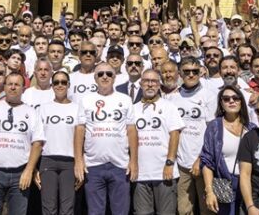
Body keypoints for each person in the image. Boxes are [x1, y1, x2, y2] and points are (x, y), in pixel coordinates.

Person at [74, 62, 137, 215]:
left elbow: (131, 130)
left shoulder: (125, 99)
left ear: (114, 77)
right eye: (100, 74)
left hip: (120, 165)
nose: (104, 77)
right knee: (95, 212)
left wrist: (133, 160)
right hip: (93, 165)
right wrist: (78, 160)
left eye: (109, 74)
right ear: (95, 78)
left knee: (120, 211)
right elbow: (80, 130)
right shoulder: (86, 100)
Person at [0, 73, 44, 215]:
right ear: (4, 87)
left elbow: (37, 143)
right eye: (9, 84)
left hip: (20, 172)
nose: (13, 87)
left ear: (23, 88)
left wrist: (29, 170)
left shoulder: (32, 112)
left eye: (17, 84)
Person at [132, 68, 185, 215]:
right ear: (141, 84)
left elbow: (175, 135)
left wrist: (169, 163)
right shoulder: (132, 109)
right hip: (140, 174)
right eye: (146, 81)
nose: (150, 85)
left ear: (159, 84)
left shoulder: (169, 107)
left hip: (164, 172)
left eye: (154, 81)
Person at [167, 57, 215, 215]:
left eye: (195, 71)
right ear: (180, 73)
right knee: (183, 210)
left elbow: (213, 131)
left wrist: (201, 158)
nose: (191, 75)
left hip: (203, 163)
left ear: (200, 72)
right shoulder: (172, 98)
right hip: (181, 164)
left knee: (207, 209)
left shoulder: (209, 95)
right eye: (187, 71)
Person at [200, 86, 254, 215]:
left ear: (241, 102)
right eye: (226, 98)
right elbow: (207, 161)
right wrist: (209, 191)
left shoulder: (251, 128)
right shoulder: (215, 126)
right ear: (221, 103)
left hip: (249, 185)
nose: (231, 101)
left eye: (236, 98)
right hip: (224, 183)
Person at [37, 71, 79, 215]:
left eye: (63, 82)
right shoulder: (43, 108)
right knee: (48, 207)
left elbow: (82, 139)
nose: (60, 85)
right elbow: (37, 139)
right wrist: (35, 167)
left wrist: (80, 163)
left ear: (68, 85)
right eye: (56, 82)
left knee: (67, 208)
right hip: (48, 160)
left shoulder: (77, 108)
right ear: (52, 85)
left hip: (70, 161)